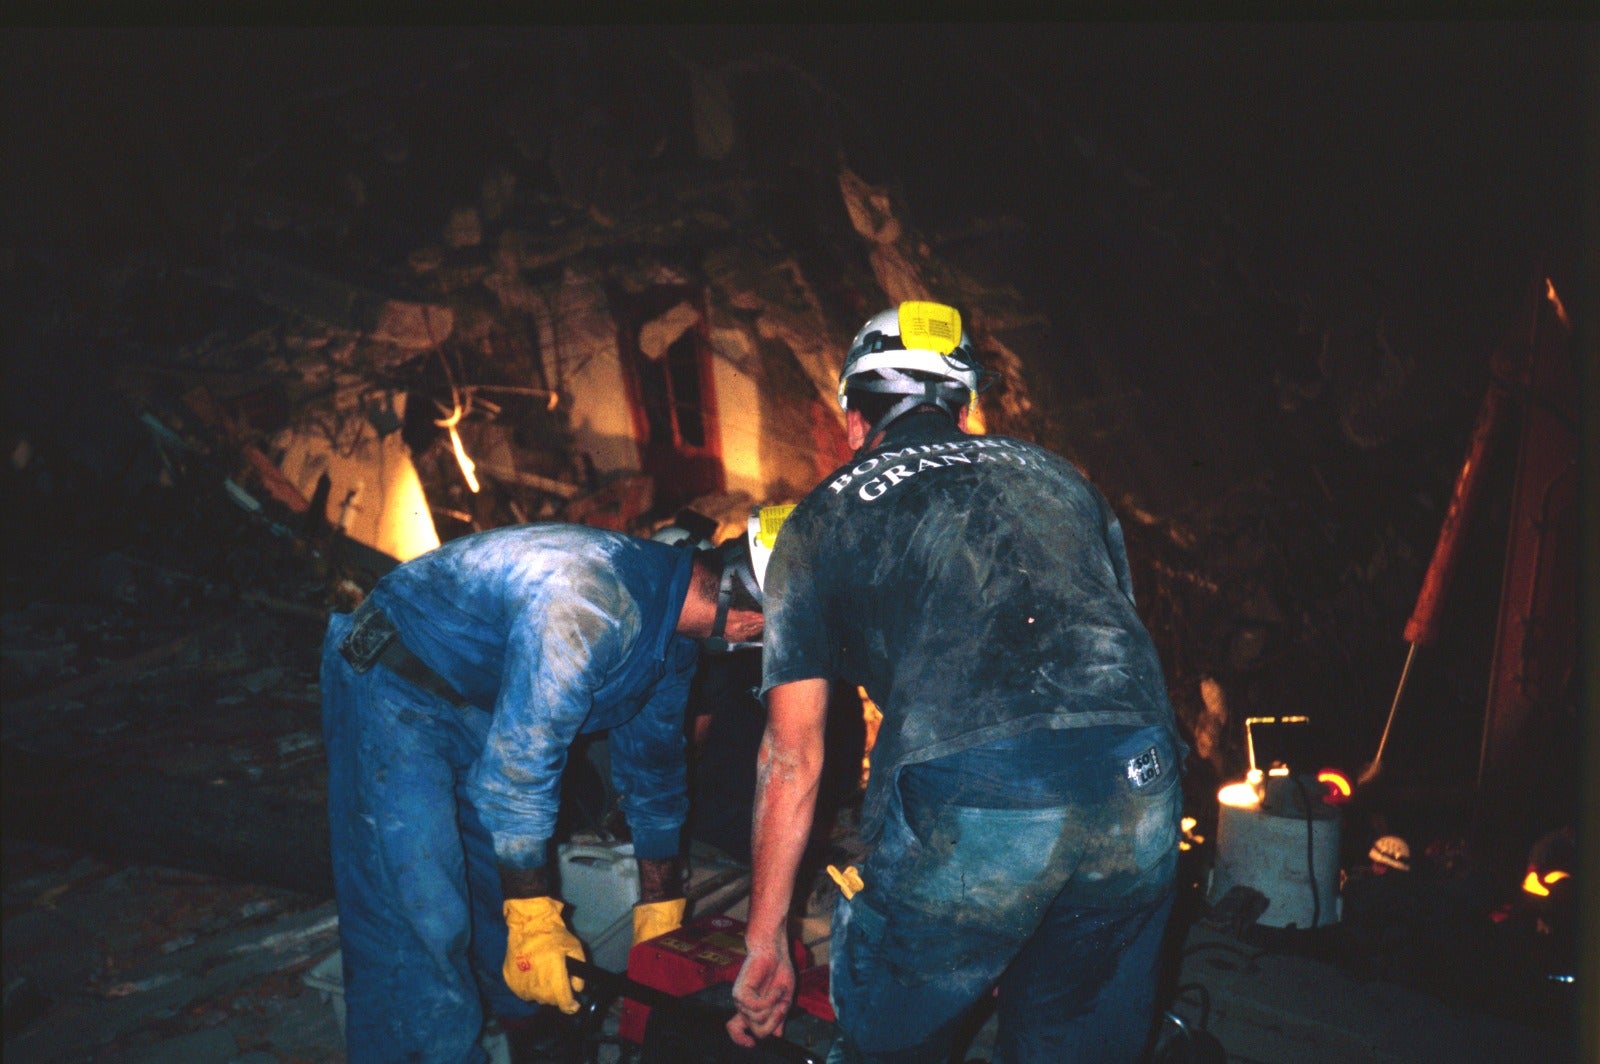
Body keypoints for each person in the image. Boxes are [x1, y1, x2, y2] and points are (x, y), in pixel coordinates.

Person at [728, 301, 1187, 1063]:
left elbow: (791, 759)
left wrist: (765, 936)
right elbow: (1109, 656)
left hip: (980, 787)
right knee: (1075, 1043)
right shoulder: (1062, 480)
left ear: (852, 422)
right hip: (1140, 776)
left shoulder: (818, 521)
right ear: (968, 408)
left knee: (893, 1035)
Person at [321, 520, 765, 1063]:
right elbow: (521, 773)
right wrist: (533, 919)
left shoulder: (674, 636)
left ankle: (531, 1027)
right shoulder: (591, 602)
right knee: (419, 915)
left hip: (479, 702)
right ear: (749, 619)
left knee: (490, 882)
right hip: (396, 684)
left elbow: (654, 772)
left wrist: (660, 907)